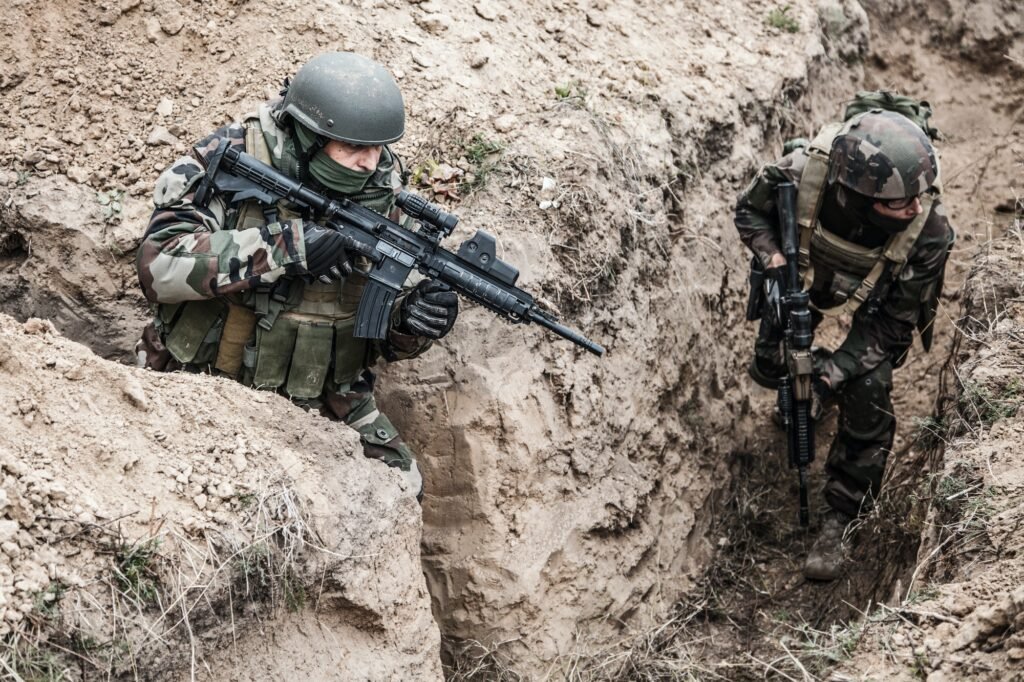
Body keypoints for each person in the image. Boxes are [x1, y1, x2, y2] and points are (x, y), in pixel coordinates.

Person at [135, 52, 459, 499]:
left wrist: (412, 323)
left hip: (321, 394)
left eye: (377, 148)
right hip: (203, 377)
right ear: (308, 135)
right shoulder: (231, 156)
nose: (369, 163)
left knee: (402, 491)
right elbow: (158, 267)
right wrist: (285, 248)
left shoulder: (384, 197)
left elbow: (376, 334)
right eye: (353, 148)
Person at [735, 108, 955, 580]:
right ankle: (799, 385)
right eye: (899, 202)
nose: (916, 207)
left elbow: (891, 326)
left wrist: (829, 380)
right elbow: (748, 210)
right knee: (772, 365)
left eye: (919, 196)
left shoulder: (928, 232)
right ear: (858, 196)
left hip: (876, 303)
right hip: (804, 274)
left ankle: (844, 510)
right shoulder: (795, 176)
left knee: (869, 385)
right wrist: (775, 259)